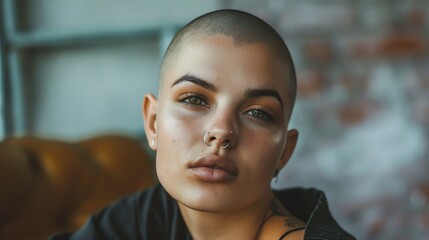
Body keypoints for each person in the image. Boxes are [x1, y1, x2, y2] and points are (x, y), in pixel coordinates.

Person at [50, 9, 356, 240]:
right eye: (195, 99)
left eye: (258, 113)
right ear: (153, 123)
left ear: (284, 153)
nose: (221, 131)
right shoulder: (145, 217)